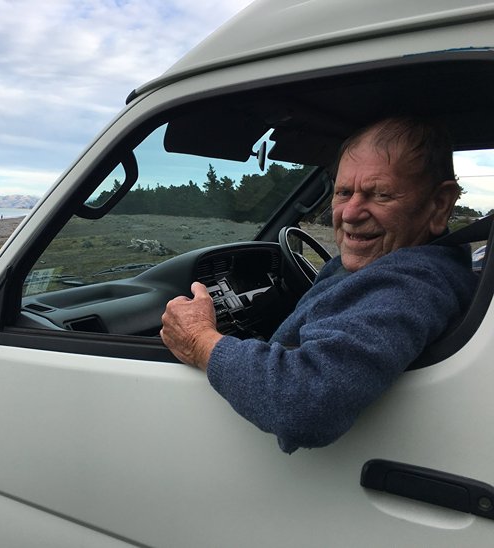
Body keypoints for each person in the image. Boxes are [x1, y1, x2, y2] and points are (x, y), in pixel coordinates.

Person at [160, 116, 478, 453]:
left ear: (439, 205)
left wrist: (200, 340)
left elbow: (305, 402)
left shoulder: (411, 287)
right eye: (343, 192)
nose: (350, 213)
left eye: (380, 194)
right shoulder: (396, 266)